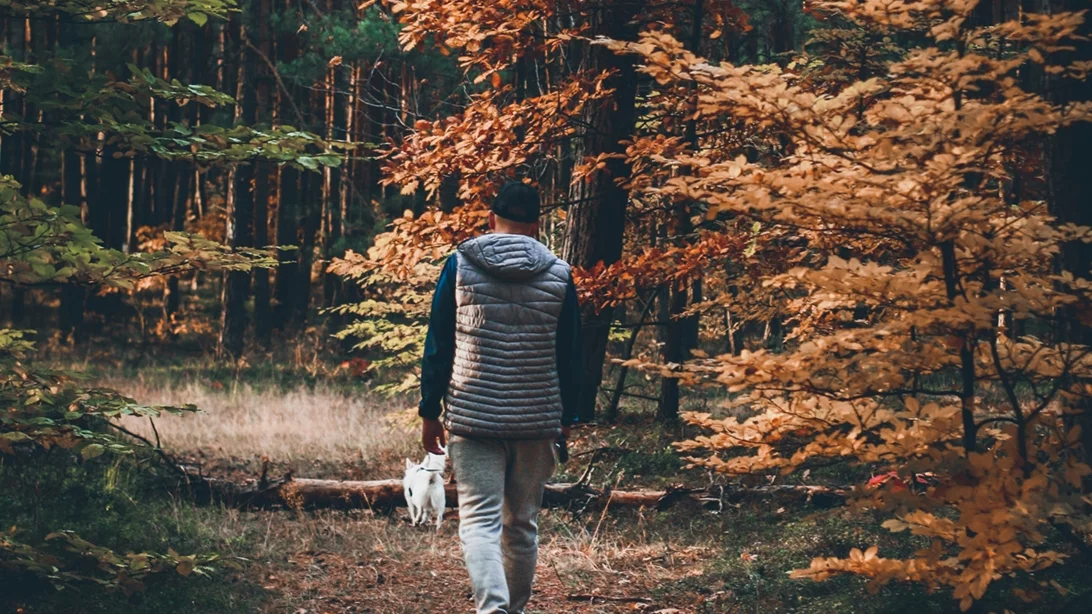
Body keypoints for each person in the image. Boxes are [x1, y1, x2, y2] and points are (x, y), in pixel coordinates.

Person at [418, 180, 583, 614]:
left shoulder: (460, 265)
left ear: (492, 220)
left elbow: (439, 342)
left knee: (479, 524)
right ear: (537, 225)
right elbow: (570, 354)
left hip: (475, 418)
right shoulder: (560, 273)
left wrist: (429, 411)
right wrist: (568, 417)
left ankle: (492, 610)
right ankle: (514, 611)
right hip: (537, 419)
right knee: (522, 526)